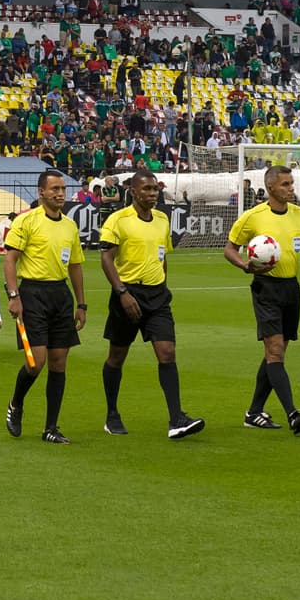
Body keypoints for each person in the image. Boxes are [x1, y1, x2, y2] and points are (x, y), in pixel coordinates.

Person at [224, 165, 300, 434]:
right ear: (270, 188)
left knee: (275, 354)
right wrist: (245, 265)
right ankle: (292, 413)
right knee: (275, 351)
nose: (291, 188)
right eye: (286, 184)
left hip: (291, 288)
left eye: (292, 183)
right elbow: (229, 248)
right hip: (266, 287)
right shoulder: (253, 217)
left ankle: (254, 412)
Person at [99, 171, 205, 439]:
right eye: (146, 189)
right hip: (127, 294)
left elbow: (162, 256)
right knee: (117, 356)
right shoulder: (118, 220)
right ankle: (112, 414)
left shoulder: (161, 219)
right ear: (133, 191)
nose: (152, 193)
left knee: (167, 352)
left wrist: (163, 285)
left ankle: (176, 419)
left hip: (157, 296)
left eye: (155, 189)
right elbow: (106, 259)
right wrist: (122, 292)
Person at [2, 169, 88, 445]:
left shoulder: (69, 226)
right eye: (54, 189)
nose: (60, 194)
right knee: (35, 362)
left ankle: (51, 427)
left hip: (60, 295)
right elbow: (10, 260)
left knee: (59, 363)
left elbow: (75, 265)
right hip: (33, 294)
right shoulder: (27, 221)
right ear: (41, 192)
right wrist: (14, 296)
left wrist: (81, 303)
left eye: (63, 189)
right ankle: (16, 403)